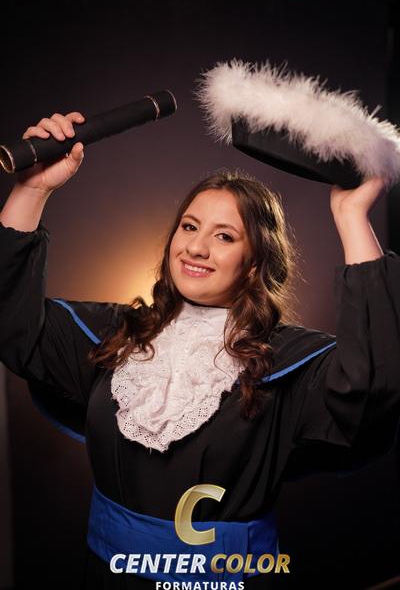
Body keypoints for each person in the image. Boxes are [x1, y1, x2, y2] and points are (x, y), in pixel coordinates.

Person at [0, 111, 399, 590]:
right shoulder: (116, 335)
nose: (197, 248)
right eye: (189, 227)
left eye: (224, 236)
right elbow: (12, 323)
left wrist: (351, 216)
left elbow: (372, 388)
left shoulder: (286, 362)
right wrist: (32, 190)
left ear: (254, 264)